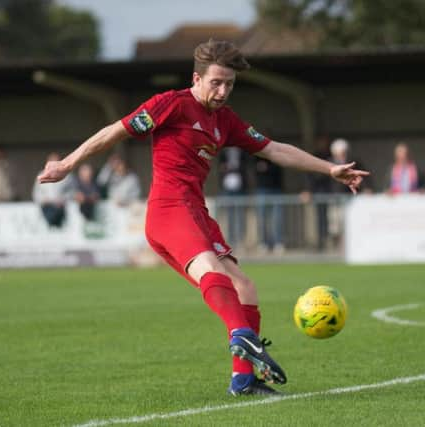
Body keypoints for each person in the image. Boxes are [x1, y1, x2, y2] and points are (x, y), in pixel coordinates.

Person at [37, 39, 368, 396]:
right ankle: (243, 337)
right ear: (197, 78)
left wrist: (329, 168)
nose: (223, 90)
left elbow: (274, 149)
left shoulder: (224, 120)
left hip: (196, 212)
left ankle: (244, 379)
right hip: (169, 210)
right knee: (211, 269)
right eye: (216, 82)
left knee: (245, 287)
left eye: (229, 84)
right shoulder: (171, 104)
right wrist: (68, 164)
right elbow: (115, 130)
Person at [33, 152, 75, 228]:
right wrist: (44, 200)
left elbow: (72, 192)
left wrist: (62, 200)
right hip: (46, 207)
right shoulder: (41, 174)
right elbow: (36, 193)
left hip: (61, 208)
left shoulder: (67, 176)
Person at [218, 146, 248, 248]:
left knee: (240, 214)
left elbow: (245, 167)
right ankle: (231, 239)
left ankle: (241, 239)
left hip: (240, 185)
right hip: (227, 185)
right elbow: (220, 166)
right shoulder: (224, 152)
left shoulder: (242, 152)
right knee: (230, 215)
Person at [254, 155, 285, 254]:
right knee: (262, 218)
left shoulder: (277, 156)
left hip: (276, 189)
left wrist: (268, 167)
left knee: (277, 219)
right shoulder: (257, 156)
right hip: (262, 190)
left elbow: (278, 169)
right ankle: (263, 243)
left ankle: (278, 243)